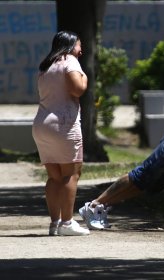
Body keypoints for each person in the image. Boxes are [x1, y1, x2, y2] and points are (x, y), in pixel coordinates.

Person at [32, 31, 90, 236]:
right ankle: (67, 223)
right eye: (78, 46)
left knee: (54, 177)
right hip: (63, 125)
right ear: (70, 45)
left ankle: (54, 223)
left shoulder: (46, 65)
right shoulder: (70, 61)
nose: (81, 50)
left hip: (42, 125)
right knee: (70, 174)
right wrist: (85, 77)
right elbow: (77, 89)